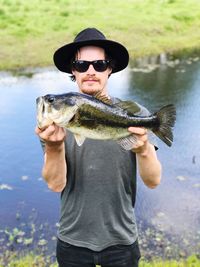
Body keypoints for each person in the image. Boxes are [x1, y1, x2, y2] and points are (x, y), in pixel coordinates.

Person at [35, 28, 161, 267]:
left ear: (109, 68)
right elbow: (55, 184)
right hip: (73, 241)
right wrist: (54, 147)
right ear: (73, 70)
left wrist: (144, 148)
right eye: (82, 65)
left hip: (121, 240)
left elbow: (153, 181)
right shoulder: (53, 126)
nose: (90, 71)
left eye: (99, 64)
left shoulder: (135, 114)